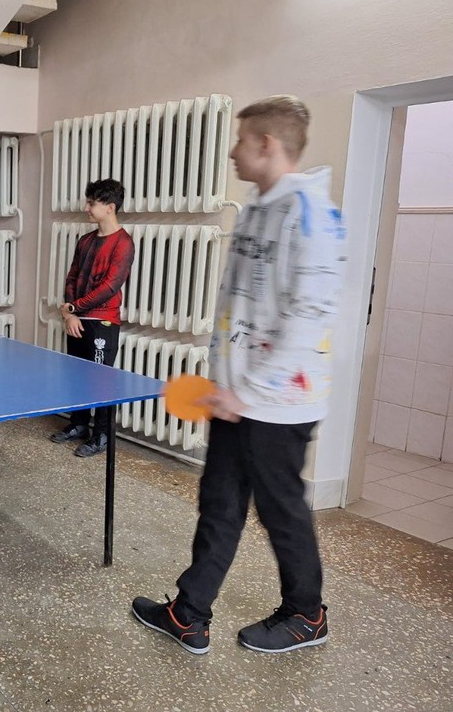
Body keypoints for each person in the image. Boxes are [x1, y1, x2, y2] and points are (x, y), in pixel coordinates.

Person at [131, 95, 347, 654]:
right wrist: (225, 386)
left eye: (241, 139)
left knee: (281, 510)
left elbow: (308, 318)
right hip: (236, 397)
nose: (232, 151)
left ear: (266, 144)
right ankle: (189, 613)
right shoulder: (256, 208)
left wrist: (249, 391)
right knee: (220, 503)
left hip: (278, 404)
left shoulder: (312, 215)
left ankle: (307, 615)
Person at [49, 179, 135, 457]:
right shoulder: (85, 241)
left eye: (92, 203)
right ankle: (78, 425)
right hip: (77, 319)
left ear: (110, 207)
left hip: (102, 322)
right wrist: (69, 312)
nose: (86, 208)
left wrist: (74, 309)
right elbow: (72, 276)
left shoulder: (123, 243)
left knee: (100, 381)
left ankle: (102, 435)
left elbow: (110, 287)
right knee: (77, 376)